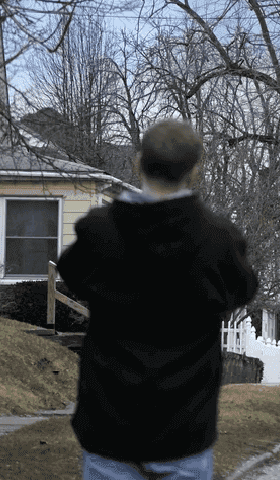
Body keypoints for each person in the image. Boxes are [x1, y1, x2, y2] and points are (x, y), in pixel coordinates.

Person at [58, 119, 258, 480]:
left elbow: (72, 275)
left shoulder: (99, 232)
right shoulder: (218, 241)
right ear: (195, 170)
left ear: (137, 163)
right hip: (185, 429)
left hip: (109, 427)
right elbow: (243, 289)